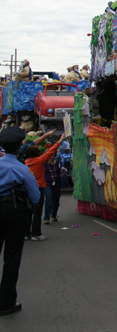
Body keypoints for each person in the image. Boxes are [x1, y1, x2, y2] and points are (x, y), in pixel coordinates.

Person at [0, 127, 41, 316]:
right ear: (19, 147)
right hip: (14, 212)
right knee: (12, 258)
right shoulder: (22, 169)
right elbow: (35, 196)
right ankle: (6, 302)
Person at [23, 135, 63, 242]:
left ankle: (26, 234)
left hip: (26, 189)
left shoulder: (25, 163)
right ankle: (36, 233)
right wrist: (60, 140)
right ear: (37, 153)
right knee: (37, 212)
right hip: (38, 189)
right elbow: (51, 151)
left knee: (27, 212)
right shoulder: (39, 161)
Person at [42, 151, 62, 225]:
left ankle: (54, 214)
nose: (53, 155)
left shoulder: (56, 163)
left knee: (56, 199)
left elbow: (58, 172)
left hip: (56, 182)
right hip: (47, 182)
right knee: (49, 197)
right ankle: (46, 217)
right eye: (51, 154)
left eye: (53, 154)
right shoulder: (44, 163)